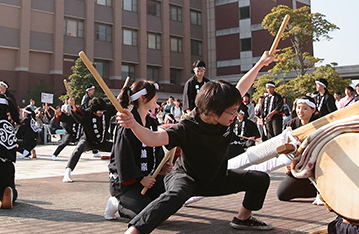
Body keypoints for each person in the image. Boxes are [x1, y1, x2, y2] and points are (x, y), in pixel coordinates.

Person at [115, 50, 276, 233]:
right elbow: (153, 139)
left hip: (217, 178)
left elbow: (241, 87)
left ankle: (243, 218)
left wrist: (260, 64)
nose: (235, 115)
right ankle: (134, 231)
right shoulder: (187, 127)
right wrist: (133, 125)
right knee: (176, 195)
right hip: (186, 177)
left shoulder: (224, 109)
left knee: (259, 179)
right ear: (213, 112)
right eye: (231, 111)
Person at [104, 80, 170, 221]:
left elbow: (156, 149)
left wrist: (162, 167)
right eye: (154, 95)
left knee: (174, 194)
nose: (157, 98)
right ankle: (118, 203)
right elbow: (123, 159)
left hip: (148, 179)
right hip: (128, 184)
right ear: (142, 98)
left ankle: (146, 201)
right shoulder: (126, 124)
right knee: (148, 218)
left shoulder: (152, 123)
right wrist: (140, 179)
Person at [276, 96, 319, 202]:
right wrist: (288, 165)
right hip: (298, 166)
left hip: (317, 166)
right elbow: (285, 148)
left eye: (305, 108)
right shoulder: (291, 125)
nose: (301, 111)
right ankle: (316, 190)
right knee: (282, 194)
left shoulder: (319, 124)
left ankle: (323, 189)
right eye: (299, 108)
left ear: (313, 110)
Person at [62, 97, 113, 183]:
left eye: (102, 112)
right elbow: (77, 112)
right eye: (98, 112)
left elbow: (119, 105)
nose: (101, 114)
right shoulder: (87, 113)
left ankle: (115, 172)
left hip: (101, 141)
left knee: (118, 148)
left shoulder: (107, 110)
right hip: (87, 140)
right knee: (78, 149)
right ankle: (67, 172)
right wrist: (73, 106)